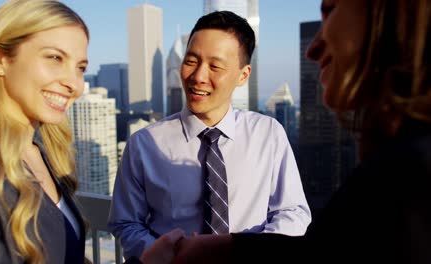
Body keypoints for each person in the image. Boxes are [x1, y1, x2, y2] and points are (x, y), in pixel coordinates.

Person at [171, 0, 431, 263]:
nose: (313, 49)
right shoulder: (401, 165)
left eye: (330, 10)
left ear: (390, 20)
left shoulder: (409, 175)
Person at [108, 10, 311, 261]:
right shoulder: (144, 143)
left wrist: (243, 252)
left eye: (215, 66)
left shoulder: (268, 134)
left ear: (243, 75)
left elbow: (293, 212)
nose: (198, 77)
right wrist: (173, 257)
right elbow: (125, 222)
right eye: (191, 61)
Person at [0, 1, 90, 263]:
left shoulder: (42, 153)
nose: (74, 83)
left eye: (80, 68)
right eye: (55, 58)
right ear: (0, 59)